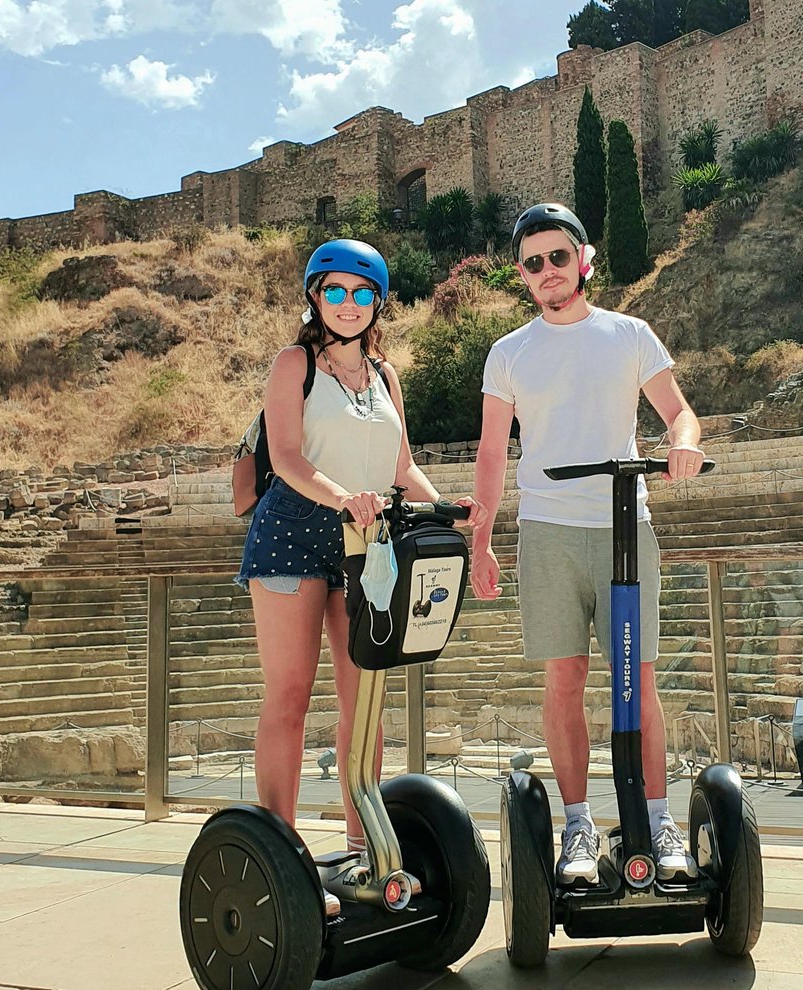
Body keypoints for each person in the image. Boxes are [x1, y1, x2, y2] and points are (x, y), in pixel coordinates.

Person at [470, 203, 706, 885]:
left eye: (559, 257)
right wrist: (481, 541)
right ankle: (578, 826)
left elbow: (677, 411)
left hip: (625, 525)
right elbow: (491, 453)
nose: (548, 271)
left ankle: (658, 822)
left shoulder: (629, 334)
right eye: (534, 262)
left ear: (584, 260)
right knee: (564, 678)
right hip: (546, 529)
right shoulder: (509, 353)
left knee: (639, 683)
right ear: (521, 274)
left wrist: (683, 445)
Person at [235, 238, 477, 882]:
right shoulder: (295, 365)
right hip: (293, 530)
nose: (348, 304)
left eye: (362, 292)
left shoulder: (386, 376)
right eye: (336, 290)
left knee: (361, 697)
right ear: (316, 296)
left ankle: (361, 844)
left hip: (367, 539)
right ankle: (278, 853)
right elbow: (286, 456)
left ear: (379, 302)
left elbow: (402, 468)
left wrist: (453, 511)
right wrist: (345, 499)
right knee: (289, 693)